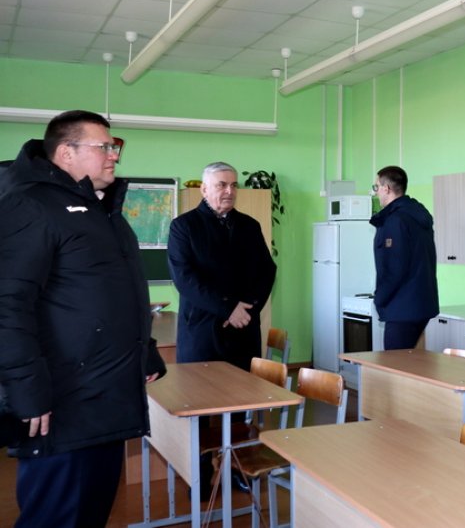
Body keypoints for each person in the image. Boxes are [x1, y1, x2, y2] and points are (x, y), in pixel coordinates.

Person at [0, 110, 165, 527]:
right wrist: (27, 391)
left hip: (105, 402)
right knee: (56, 517)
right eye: (104, 146)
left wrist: (144, 349)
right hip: (61, 405)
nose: (114, 155)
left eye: (115, 146)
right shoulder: (31, 205)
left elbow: (119, 296)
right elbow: (8, 305)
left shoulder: (101, 211)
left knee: (90, 514)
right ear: (65, 153)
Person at [168, 162, 276, 372]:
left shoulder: (249, 226)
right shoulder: (184, 226)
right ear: (204, 189)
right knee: (200, 389)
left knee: (245, 390)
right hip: (202, 331)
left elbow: (267, 271)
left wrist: (247, 309)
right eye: (222, 185)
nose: (230, 191)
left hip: (243, 329)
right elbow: (184, 278)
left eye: (234, 185)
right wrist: (228, 309)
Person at [370, 165, 439, 350]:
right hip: (420, 304)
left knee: (393, 364)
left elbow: (394, 268)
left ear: (386, 189)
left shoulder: (395, 220)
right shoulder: (416, 213)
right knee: (410, 362)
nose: (376, 192)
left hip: (402, 307)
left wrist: (379, 299)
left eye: (377, 187)